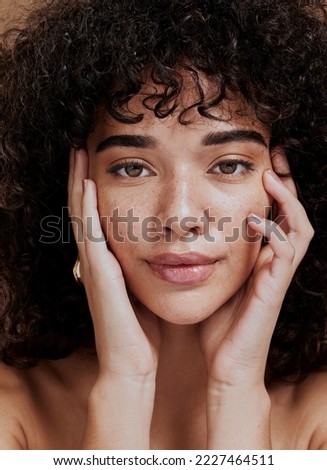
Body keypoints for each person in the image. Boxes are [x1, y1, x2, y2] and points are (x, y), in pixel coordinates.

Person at [0, 0, 326, 450]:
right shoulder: (11, 413)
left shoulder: (318, 419)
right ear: (73, 188)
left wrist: (236, 390)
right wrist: (124, 385)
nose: (180, 217)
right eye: (133, 168)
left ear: (287, 196)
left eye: (229, 165)